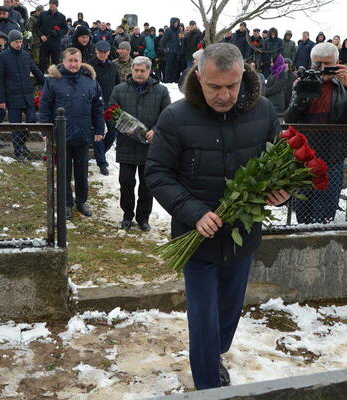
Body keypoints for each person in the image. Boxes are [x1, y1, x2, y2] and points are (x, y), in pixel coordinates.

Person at [145, 42, 288, 390]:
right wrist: (193, 212)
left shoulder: (264, 111)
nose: (224, 95)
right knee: (204, 320)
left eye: (231, 86)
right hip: (198, 241)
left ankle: (216, 354)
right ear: (199, 77)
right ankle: (209, 385)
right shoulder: (176, 118)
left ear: (243, 76)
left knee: (227, 314)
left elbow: (279, 161)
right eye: (214, 87)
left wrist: (282, 191)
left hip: (243, 236)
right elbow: (158, 173)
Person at [285, 42, 347, 224]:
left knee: (327, 203)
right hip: (306, 154)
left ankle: (322, 235)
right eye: (318, 64)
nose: (323, 68)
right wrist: (302, 92)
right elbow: (290, 118)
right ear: (311, 64)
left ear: (337, 62)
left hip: (334, 153)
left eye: (328, 63)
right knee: (303, 202)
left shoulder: (345, 84)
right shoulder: (302, 82)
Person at [39, 47, 104, 219]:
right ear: (64, 61)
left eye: (77, 60)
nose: (74, 64)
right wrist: (45, 130)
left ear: (81, 61)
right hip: (62, 136)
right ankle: (66, 203)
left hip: (83, 135)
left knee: (82, 171)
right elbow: (45, 107)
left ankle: (81, 201)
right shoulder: (53, 81)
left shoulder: (90, 81)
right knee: (64, 171)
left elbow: (98, 108)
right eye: (70, 60)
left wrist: (99, 128)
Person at [109, 56, 170, 232]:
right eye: (136, 70)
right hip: (126, 145)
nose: (139, 73)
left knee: (147, 185)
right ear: (131, 70)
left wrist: (156, 130)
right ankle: (127, 215)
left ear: (149, 71)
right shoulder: (119, 90)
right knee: (126, 183)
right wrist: (123, 127)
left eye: (142, 70)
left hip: (150, 148)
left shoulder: (161, 91)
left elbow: (168, 116)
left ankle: (143, 217)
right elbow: (111, 113)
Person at [0, 30, 45, 162]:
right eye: (16, 42)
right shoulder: (2, 57)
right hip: (12, 97)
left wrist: (47, 84)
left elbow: (36, 71)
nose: (19, 44)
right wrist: (1, 100)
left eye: (21, 41)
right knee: (15, 126)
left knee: (32, 121)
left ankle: (21, 144)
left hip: (27, 95)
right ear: (10, 42)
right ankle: (18, 152)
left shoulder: (26, 55)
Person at [89, 40, 120, 175]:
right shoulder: (89, 66)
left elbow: (117, 84)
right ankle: (102, 162)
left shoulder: (113, 66)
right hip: (95, 104)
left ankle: (99, 152)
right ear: (96, 52)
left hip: (110, 103)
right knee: (98, 133)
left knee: (113, 131)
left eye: (105, 53)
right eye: (100, 52)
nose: (103, 55)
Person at [36, 0, 67, 73]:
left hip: (55, 45)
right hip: (44, 43)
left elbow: (65, 29)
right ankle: (41, 81)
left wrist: (57, 32)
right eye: (50, 3)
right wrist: (41, 35)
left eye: (53, 4)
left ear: (57, 6)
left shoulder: (62, 17)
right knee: (42, 63)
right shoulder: (43, 14)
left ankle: (55, 81)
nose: (51, 5)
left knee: (55, 65)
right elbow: (36, 27)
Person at [160, 17, 182, 83]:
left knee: (176, 67)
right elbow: (163, 41)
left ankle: (174, 80)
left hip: (177, 52)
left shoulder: (178, 31)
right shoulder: (168, 30)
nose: (176, 24)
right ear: (172, 23)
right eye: (175, 22)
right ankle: (167, 80)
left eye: (177, 23)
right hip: (170, 52)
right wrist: (165, 49)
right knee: (169, 67)